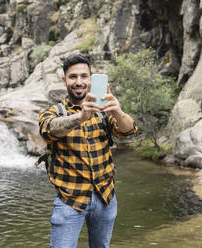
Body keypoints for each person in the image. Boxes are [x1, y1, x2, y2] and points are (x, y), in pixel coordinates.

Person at [38, 53, 137, 248]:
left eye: (84, 76)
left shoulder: (103, 111)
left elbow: (129, 130)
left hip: (105, 197)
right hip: (69, 200)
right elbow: (48, 129)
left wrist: (117, 111)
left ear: (91, 80)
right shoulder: (55, 112)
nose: (79, 82)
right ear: (64, 80)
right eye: (73, 77)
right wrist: (80, 117)